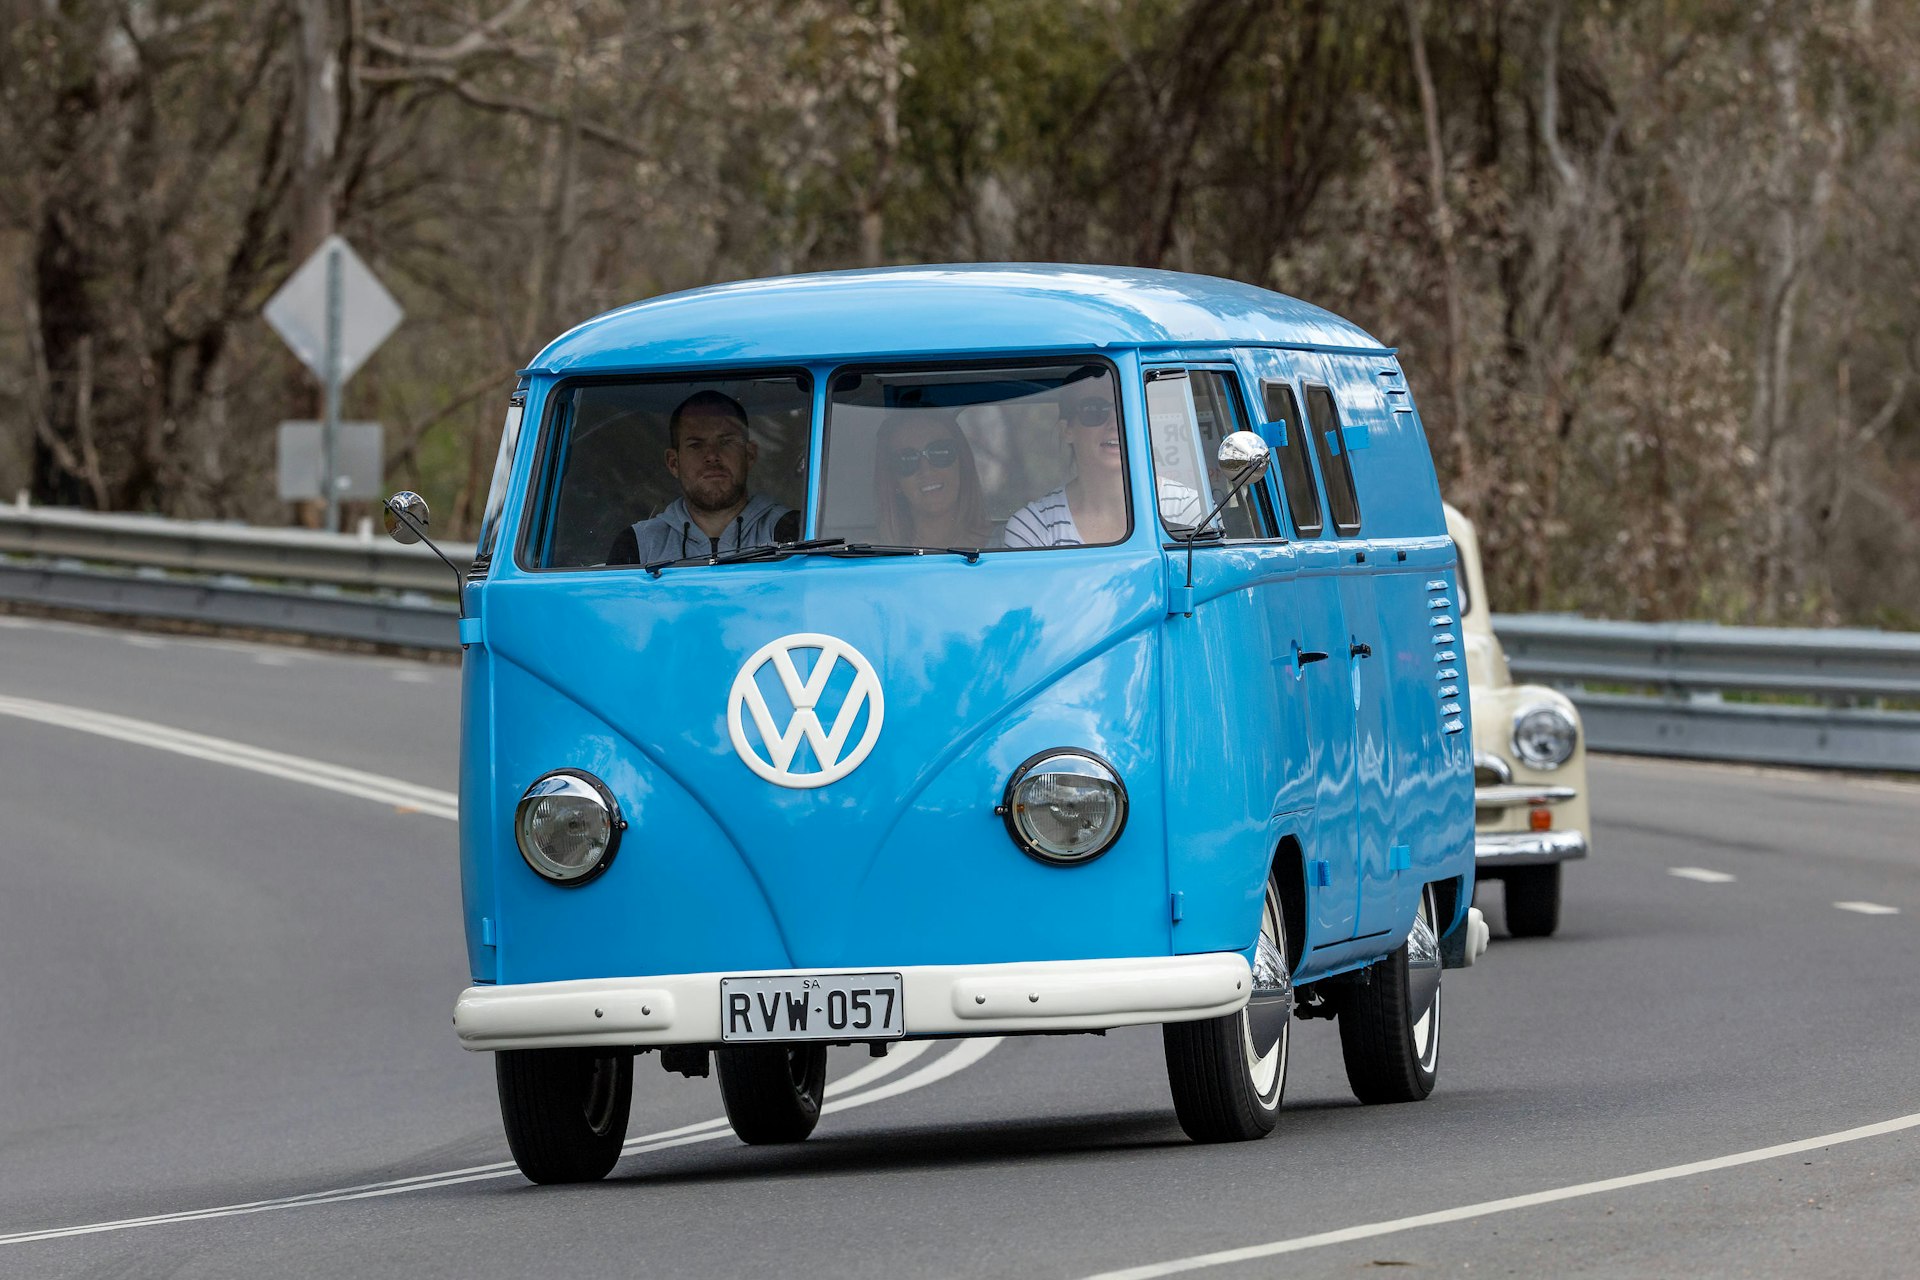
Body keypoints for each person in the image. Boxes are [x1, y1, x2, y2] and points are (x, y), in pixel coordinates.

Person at [608, 390, 799, 565]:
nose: (712, 456)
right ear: (673, 463)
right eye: (696, 445)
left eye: (725, 442)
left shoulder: (793, 532)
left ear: (749, 454)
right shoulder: (638, 546)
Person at [1000, 370, 1135, 548]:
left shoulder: (1180, 508)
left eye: (1124, 409)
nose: (1114, 423)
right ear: (1067, 430)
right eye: (1094, 409)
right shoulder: (1032, 526)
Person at [872, 409, 990, 549]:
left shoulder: (1011, 547)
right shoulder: (873, 559)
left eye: (940, 452)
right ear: (894, 481)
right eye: (908, 459)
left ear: (962, 465)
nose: (926, 470)